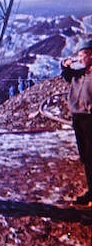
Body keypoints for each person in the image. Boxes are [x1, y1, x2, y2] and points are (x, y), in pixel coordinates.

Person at [61, 39, 92, 205]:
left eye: (83, 56)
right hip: (78, 118)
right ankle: (91, 191)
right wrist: (64, 65)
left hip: (89, 119)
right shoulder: (80, 74)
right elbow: (66, 75)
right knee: (86, 156)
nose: (80, 59)